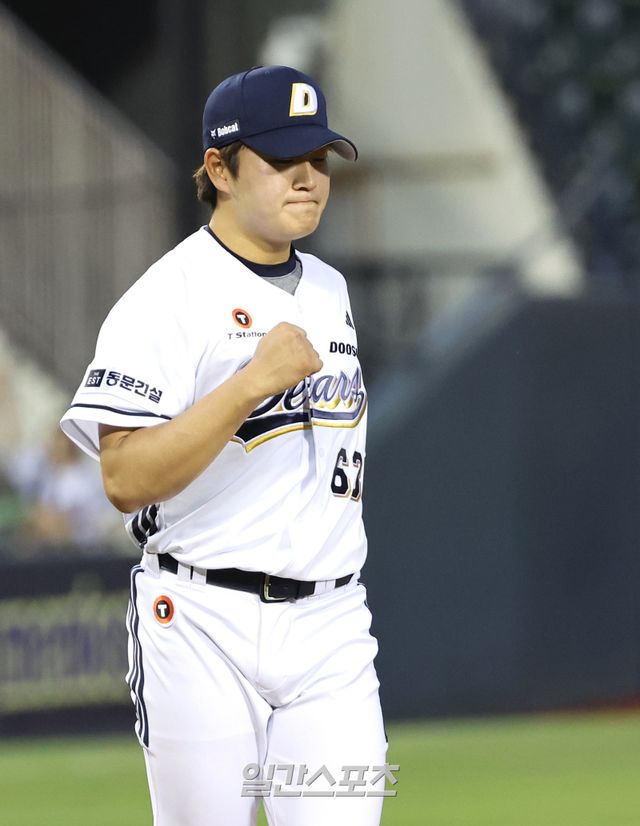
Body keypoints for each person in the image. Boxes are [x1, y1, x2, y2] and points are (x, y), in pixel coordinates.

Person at [61, 65, 388, 826]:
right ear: (219, 168)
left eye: (319, 158)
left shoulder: (331, 290)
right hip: (202, 620)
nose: (307, 177)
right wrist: (248, 386)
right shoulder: (166, 296)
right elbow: (123, 477)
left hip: (332, 625)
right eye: (282, 158)